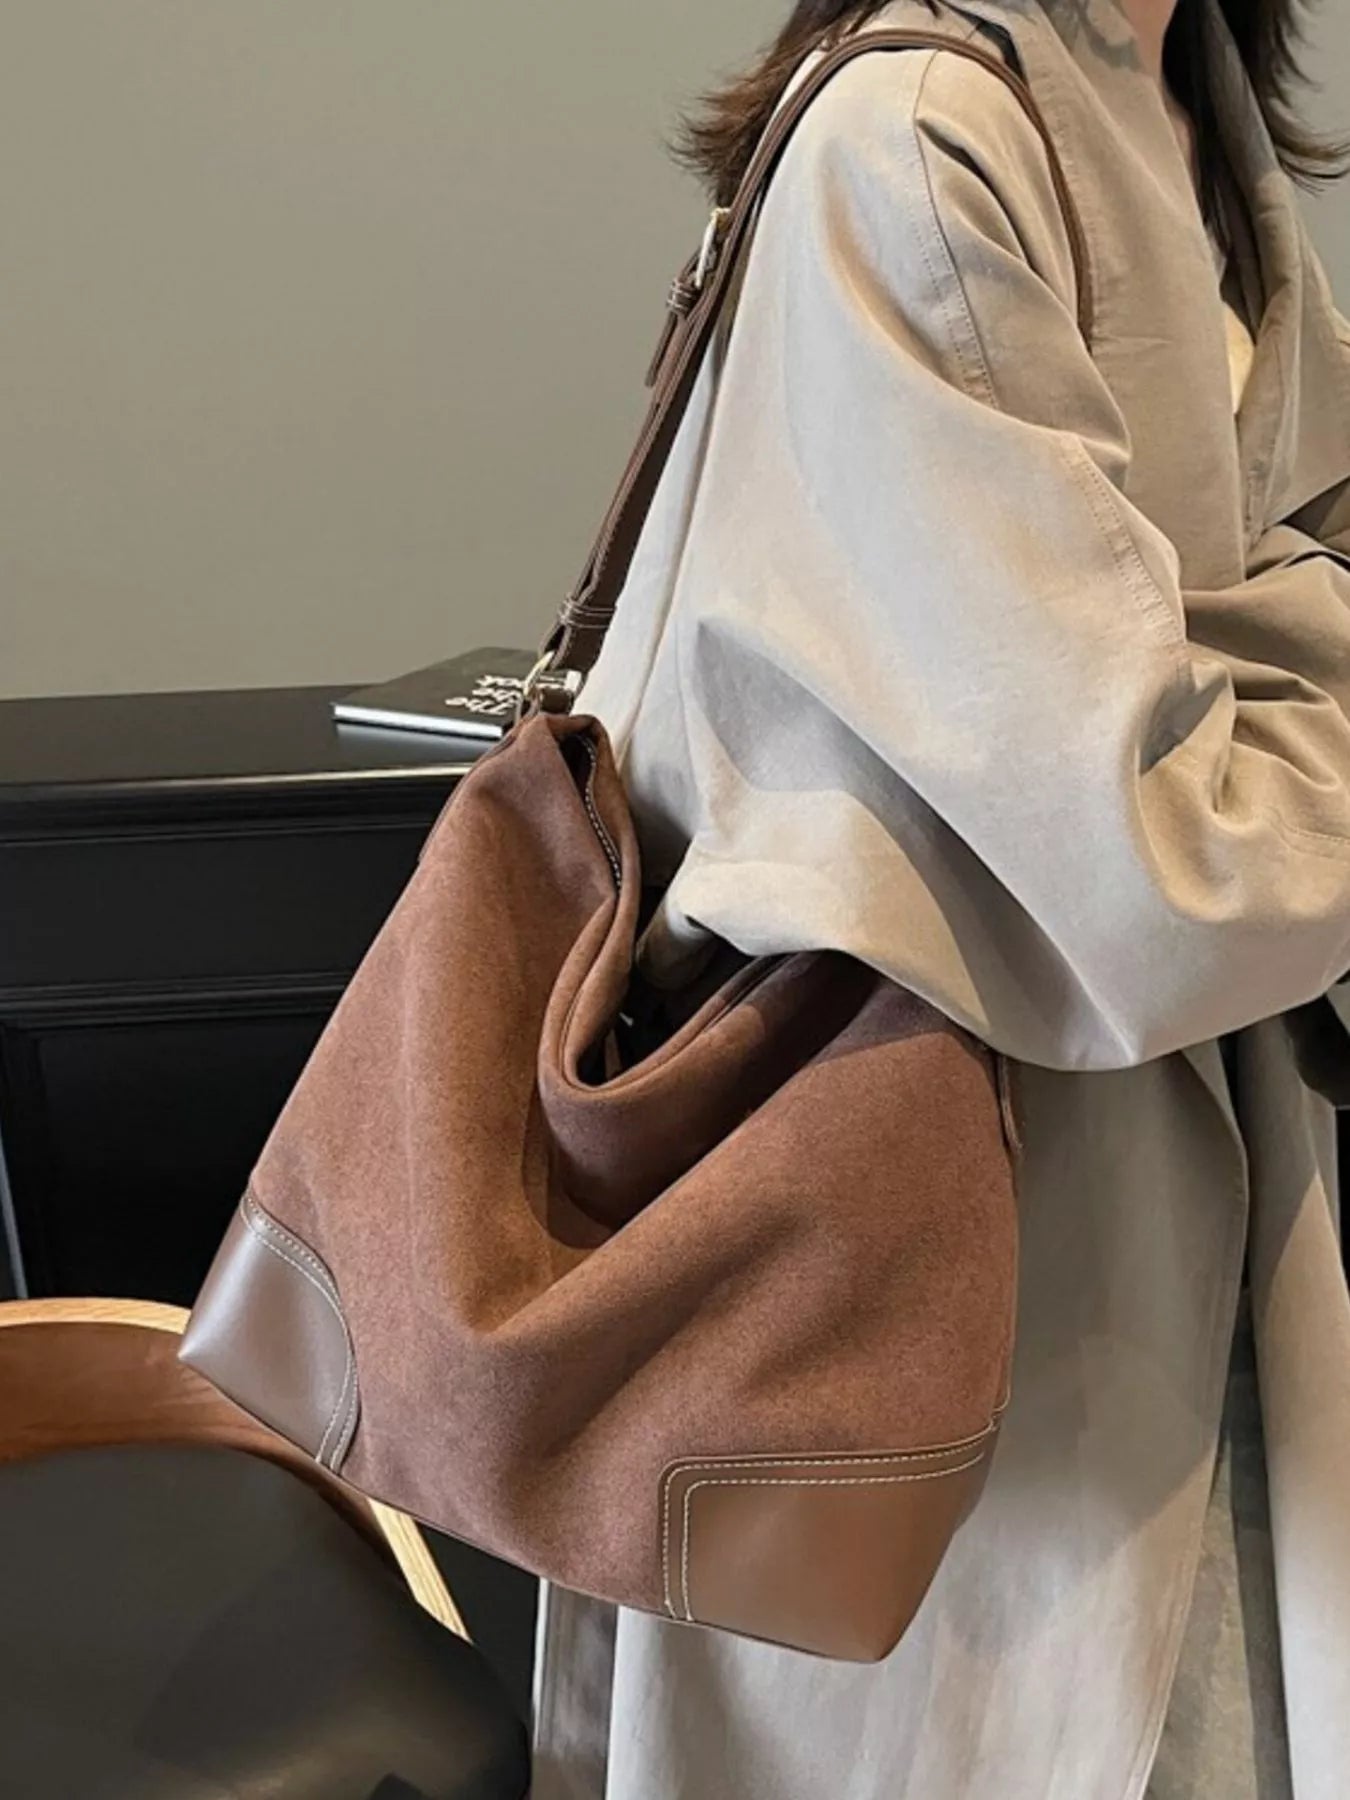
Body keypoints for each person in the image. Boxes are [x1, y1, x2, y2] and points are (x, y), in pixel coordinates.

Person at [530, 0, 1350, 1796]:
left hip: (1163, 1226)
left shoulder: (1177, 96)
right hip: (965, 1270)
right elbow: (1163, 856)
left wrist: (1261, 652)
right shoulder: (915, 134)